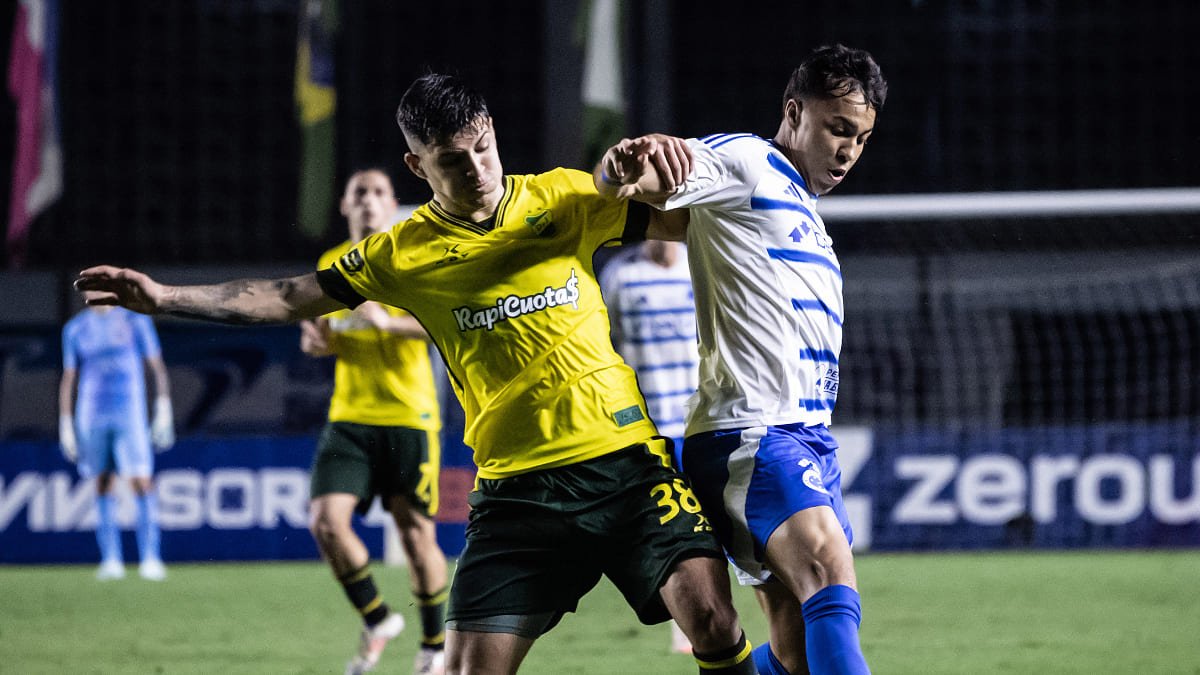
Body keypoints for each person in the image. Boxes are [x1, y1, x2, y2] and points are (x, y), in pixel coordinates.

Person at [75, 73, 756, 675]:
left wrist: (663, 172)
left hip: (625, 465)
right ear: (417, 165)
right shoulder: (401, 254)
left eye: (483, 146)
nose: (478, 169)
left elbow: (689, 225)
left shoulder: (564, 198)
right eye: (453, 161)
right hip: (515, 493)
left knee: (715, 622)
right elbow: (285, 297)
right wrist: (165, 297)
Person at [595, 44, 888, 674]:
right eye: (838, 128)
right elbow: (643, 181)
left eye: (861, 138)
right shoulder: (748, 161)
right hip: (755, 433)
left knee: (794, 649)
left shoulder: (800, 205)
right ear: (794, 110)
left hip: (800, 436)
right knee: (830, 577)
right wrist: (625, 166)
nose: (848, 150)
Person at [299, 169, 450, 675]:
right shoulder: (329, 264)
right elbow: (325, 333)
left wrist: (390, 323)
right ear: (345, 204)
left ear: (392, 205)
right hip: (350, 416)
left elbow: (444, 323)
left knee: (415, 536)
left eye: (378, 192)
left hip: (410, 414)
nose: (368, 200)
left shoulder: (413, 257)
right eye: (359, 192)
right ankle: (378, 617)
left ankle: (433, 646)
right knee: (325, 522)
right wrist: (318, 342)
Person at [598, 239, 699, 655]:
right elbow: (605, 345)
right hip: (645, 425)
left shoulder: (702, 264)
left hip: (700, 421)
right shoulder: (620, 273)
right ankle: (685, 622)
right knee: (667, 528)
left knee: (711, 527)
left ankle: (712, 615)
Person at [59, 305, 175, 581]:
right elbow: (69, 377)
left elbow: (156, 365)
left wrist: (163, 405)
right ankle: (111, 559)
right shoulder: (76, 328)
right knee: (102, 481)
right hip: (92, 413)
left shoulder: (135, 320)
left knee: (141, 480)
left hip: (129, 411)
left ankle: (150, 558)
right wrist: (65, 423)